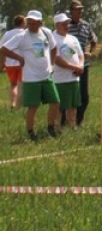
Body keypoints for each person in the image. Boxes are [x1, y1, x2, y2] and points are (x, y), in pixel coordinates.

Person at [0, 10, 60, 141]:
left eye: (34, 22)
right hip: (31, 78)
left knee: (55, 102)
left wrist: (53, 64)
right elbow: (3, 49)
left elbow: (54, 47)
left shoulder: (46, 33)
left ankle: (51, 128)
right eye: (29, 22)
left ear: (40, 22)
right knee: (33, 106)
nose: (31, 25)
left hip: (46, 75)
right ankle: (31, 133)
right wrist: (18, 58)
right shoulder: (22, 36)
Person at [64, 0, 98, 125]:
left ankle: (79, 120)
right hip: (67, 65)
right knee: (67, 94)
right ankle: (64, 120)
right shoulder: (66, 26)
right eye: (77, 9)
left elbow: (94, 40)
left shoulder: (86, 25)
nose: (80, 12)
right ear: (71, 11)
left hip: (83, 65)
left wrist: (90, 51)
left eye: (81, 9)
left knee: (84, 96)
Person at [50, 13, 85, 129]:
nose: (67, 26)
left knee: (73, 105)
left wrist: (80, 66)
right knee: (59, 106)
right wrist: (75, 68)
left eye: (67, 23)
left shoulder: (72, 38)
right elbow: (57, 59)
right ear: (57, 25)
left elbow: (80, 55)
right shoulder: (54, 39)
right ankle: (57, 127)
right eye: (64, 24)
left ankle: (71, 126)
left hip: (74, 78)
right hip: (60, 79)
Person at [3, 14, 24, 109]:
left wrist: (2, 62)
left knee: (13, 85)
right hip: (22, 63)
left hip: (10, 63)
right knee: (21, 85)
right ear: (23, 23)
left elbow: (1, 48)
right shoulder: (24, 33)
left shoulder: (7, 34)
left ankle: (13, 103)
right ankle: (19, 106)